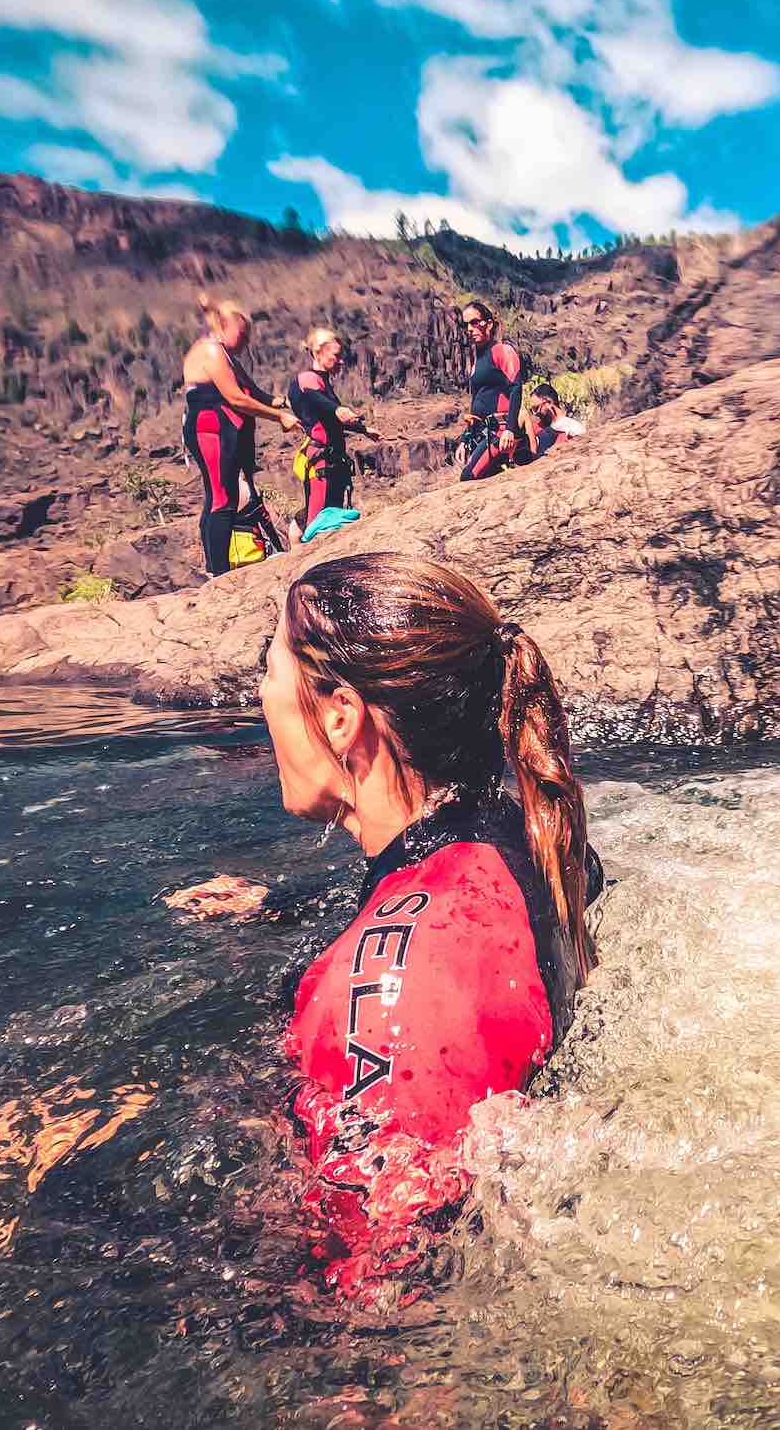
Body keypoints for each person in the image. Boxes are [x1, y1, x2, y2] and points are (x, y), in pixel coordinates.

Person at [259, 553, 603, 1292]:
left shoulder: (391, 975)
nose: (262, 699)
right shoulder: (525, 832)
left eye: (270, 672)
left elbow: (377, 1286)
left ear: (340, 714)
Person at [182, 296, 299, 576]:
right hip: (209, 428)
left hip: (221, 431)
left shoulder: (226, 356)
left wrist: (284, 404)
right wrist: (278, 417)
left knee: (221, 496)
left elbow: (254, 393)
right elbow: (236, 398)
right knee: (222, 498)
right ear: (225, 325)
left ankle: (215, 568)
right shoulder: (211, 351)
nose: (247, 339)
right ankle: (219, 574)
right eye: (243, 332)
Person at [287, 327, 372, 529]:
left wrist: (364, 430)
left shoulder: (322, 382)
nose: (341, 361)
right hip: (320, 462)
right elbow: (320, 402)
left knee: (332, 519)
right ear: (318, 352)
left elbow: (330, 416)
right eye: (336, 355)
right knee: (318, 523)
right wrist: (338, 410)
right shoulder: (307, 378)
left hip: (333, 461)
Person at [455, 300, 530, 481]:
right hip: (483, 432)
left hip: (501, 432)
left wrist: (510, 429)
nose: (470, 329)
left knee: (468, 477)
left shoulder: (502, 351)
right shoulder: (477, 361)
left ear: (488, 324)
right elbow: (477, 402)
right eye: (466, 325)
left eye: (474, 322)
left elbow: (515, 388)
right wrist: (465, 439)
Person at [525, 382, 586, 456]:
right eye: (532, 410)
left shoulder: (573, 428)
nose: (535, 413)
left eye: (537, 408)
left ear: (549, 402)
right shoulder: (537, 428)